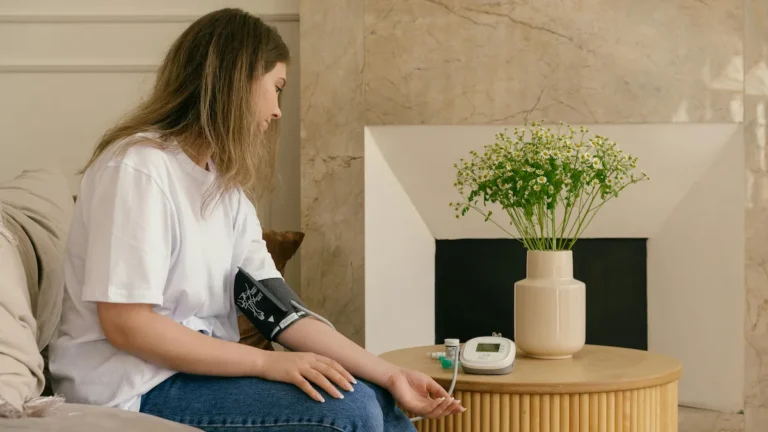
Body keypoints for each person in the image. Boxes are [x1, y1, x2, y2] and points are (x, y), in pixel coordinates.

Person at [48, 8, 463, 432]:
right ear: (238, 81)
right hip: (130, 387)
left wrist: (389, 373)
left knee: (377, 396)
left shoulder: (225, 191)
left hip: (192, 376)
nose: (278, 110)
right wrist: (268, 364)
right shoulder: (138, 170)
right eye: (276, 88)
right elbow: (128, 326)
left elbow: (280, 313)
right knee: (351, 411)